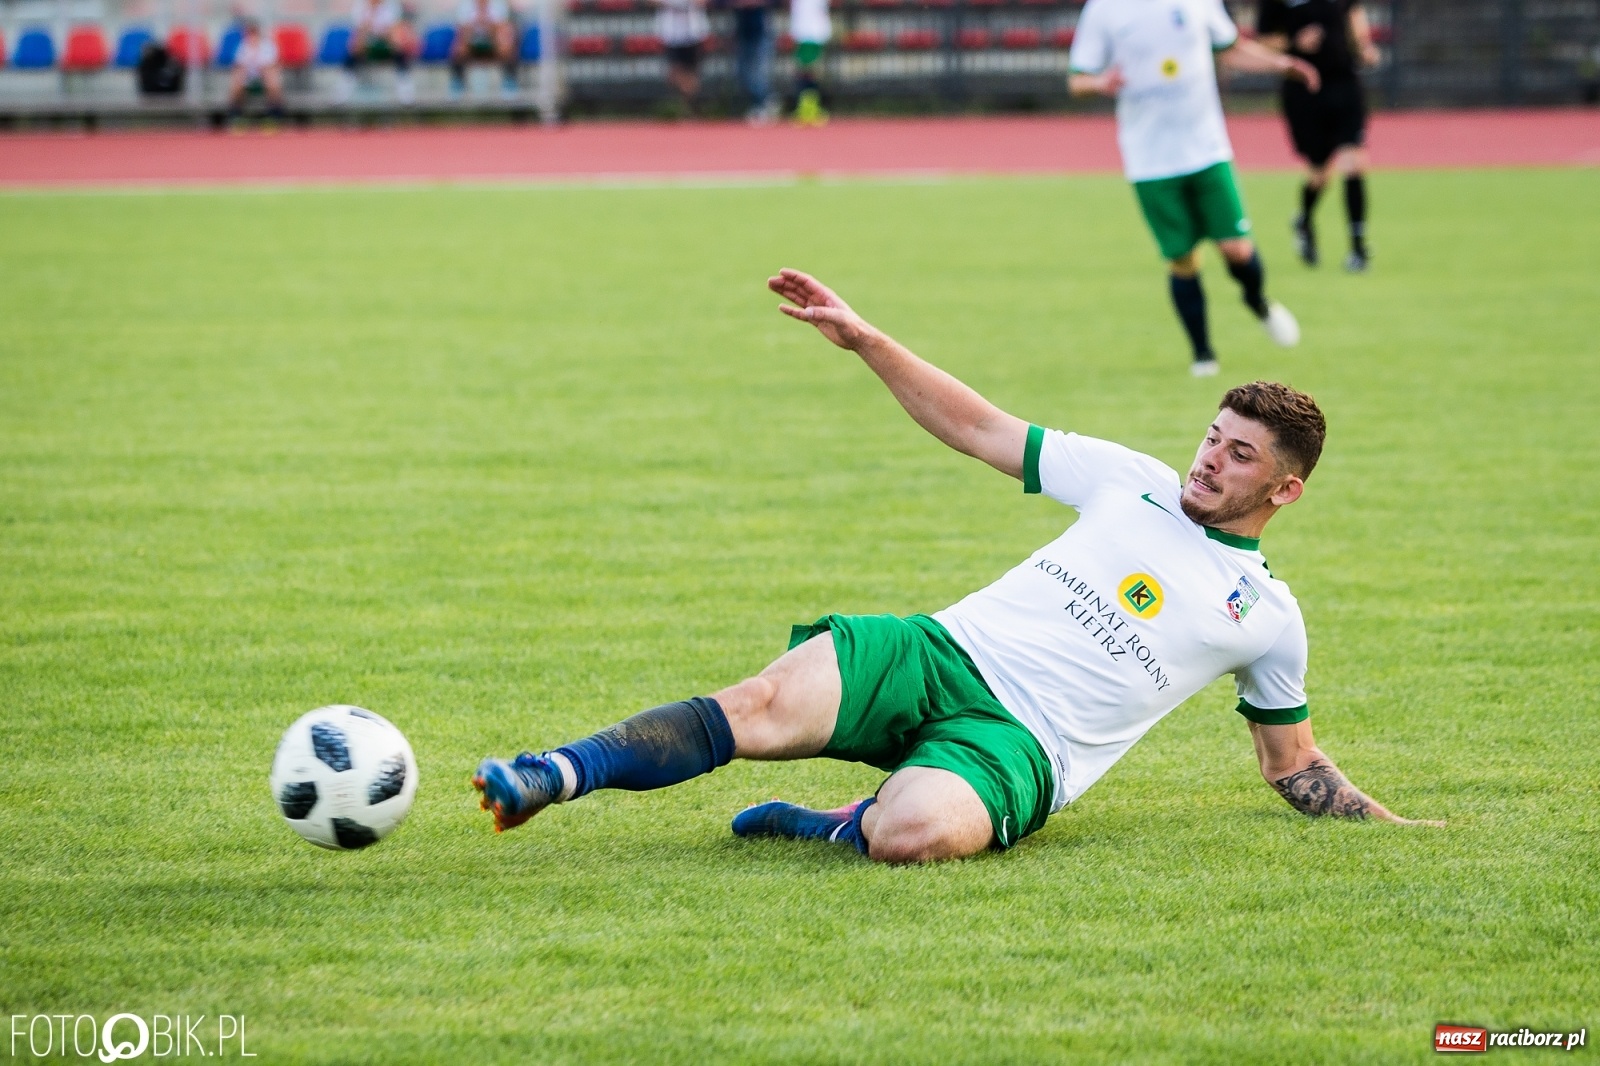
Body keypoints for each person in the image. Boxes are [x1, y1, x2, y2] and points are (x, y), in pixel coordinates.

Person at [472, 269, 1443, 864]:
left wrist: (1395, 831)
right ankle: (549, 775)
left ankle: (838, 824)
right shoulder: (1129, 480)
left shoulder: (1265, 616)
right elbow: (980, 426)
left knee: (917, 836)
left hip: (1026, 743)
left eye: (1240, 455)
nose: (1209, 458)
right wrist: (864, 340)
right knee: (758, 704)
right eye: (1212, 436)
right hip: (944, 649)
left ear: (1285, 489)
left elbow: (1293, 763)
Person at [1067, 0, 1320, 377]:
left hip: (1207, 149)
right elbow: (1077, 79)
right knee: (1183, 258)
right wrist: (1101, 83)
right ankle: (1203, 354)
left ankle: (1257, 301)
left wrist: (1282, 65)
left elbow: (1231, 50)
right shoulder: (1104, 9)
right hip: (1150, 159)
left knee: (1236, 248)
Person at [1258, 0, 1380, 272]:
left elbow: (1354, 13)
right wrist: (1294, 41)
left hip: (1344, 84)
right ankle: (1304, 221)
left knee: (1354, 162)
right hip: (1304, 91)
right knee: (1320, 172)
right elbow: (1262, 41)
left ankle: (1358, 248)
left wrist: (1364, 46)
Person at [343, 0, 420, 104]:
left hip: (385, 43)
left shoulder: (391, 5)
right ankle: (343, 92)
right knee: (352, 53)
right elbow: (360, 33)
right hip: (368, 44)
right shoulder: (360, 6)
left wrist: (388, 40)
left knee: (400, 51)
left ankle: (405, 92)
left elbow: (393, 33)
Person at [450, 0, 519, 97]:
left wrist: (487, 24)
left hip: (493, 42)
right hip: (471, 42)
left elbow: (502, 28)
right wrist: (477, 24)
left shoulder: (499, 4)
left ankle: (509, 80)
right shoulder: (465, 5)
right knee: (458, 47)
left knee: (506, 45)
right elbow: (463, 30)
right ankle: (458, 81)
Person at [226, 19, 286, 123]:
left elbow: (270, 65)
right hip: (248, 77)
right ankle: (236, 116)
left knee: (271, 79)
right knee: (237, 79)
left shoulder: (268, 46)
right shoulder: (243, 46)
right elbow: (239, 65)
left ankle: (274, 116)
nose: (251, 37)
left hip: (264, 77)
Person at [655, 0, 709, 114]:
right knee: (674, 74)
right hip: (671, 34)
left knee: (692, 74)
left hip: (693, 33)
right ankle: (688, 105)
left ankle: (688, 108)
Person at [732, 0, 777, 123]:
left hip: (760, 32)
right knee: (742, 72)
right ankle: (766, 100)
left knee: (757, 72)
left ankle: (761, 104)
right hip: (743, 32)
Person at [788, 0, 829, 125]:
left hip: (810, 31)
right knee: (805, 70)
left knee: (809, 70)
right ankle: (808, 107)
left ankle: (809, 109)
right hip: (805, 30)